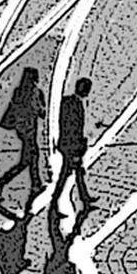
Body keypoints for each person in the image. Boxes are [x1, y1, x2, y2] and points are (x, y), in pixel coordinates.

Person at [0, 66, 46, 203]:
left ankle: (36, 183)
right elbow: (40, 111)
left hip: (21, 129)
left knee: (31, 157)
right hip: (29, 129)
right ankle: (2, 182)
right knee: (28, 159)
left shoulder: (19, 91)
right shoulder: (35, 92)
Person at [55, 76, 96, 211]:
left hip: (67, 143)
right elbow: (73, 129)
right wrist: (78, 148)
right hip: (71, 145)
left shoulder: (68, 102)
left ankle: (85, 199)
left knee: (77, 172)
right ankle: (55, 201)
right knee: (65, 175)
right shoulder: (75, 105)